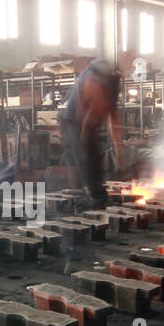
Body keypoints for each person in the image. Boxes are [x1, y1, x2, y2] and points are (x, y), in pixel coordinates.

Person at [58, 50, 133, 210]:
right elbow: (93, 109)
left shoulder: (113, 78)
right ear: (120, 57)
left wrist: (119, 154)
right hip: (74, 120)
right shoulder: (99, 75)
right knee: (88, 158)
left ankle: (94, 196)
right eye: (129, 59)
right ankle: (91, 200)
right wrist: (85, 137)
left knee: (93, 157)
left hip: (85, 121)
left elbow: (113, 118)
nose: (131, 64)